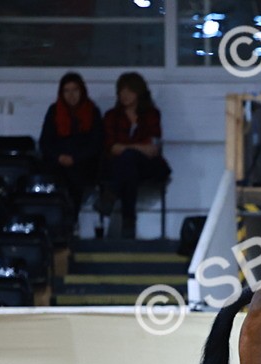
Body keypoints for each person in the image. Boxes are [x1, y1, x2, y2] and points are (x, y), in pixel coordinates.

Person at [99, 72, 171, 239]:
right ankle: (128, 220)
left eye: (129, 91)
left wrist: (128, 148)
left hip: (147, 166)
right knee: (128, 165)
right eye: (121, 91)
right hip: (120, 166)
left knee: (128, 159)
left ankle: (110, 197)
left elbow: (152, 149)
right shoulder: (112, 116)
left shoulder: (151, 114)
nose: (124, 95)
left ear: (138, 92)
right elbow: (112, 147)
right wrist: (137, 148)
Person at [38, 71, 104, 215]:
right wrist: (59, 157)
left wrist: (75, 158)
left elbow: (96, 143)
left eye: (75, 90)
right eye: (66, 91)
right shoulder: (54, 111)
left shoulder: (92, 111)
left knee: (75, 176)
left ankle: (70, 219)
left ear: (82, 91)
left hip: (83, 162)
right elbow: (45, 142)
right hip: (57, 161)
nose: (71, 95)